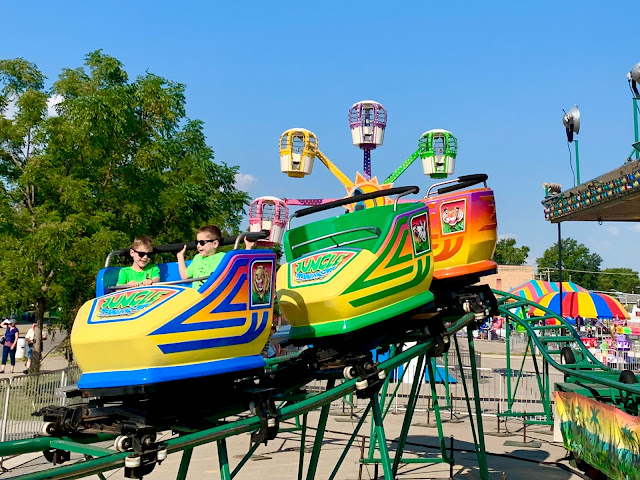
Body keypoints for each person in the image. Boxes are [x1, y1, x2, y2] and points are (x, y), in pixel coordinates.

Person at [177, 225, 254, 289]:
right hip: (197, 298)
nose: (198, 246)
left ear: (215, 244)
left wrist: (248, 248)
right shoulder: (197, 258)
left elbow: (241, 268)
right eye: (197, 242)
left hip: (214, 297)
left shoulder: (224, 257)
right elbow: (185, 277)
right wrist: (180, 257)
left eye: (202, 242)